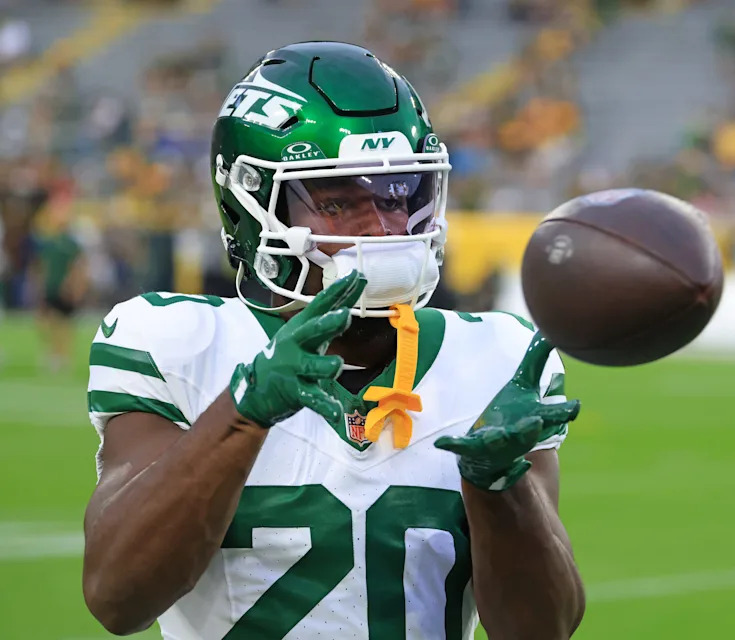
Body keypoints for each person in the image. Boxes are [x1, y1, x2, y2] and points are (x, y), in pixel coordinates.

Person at [82, 42, 585, 639]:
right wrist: (242, 414)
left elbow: (541, 630)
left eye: (400, 193)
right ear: (247, 206)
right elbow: (118, 598)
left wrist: (501, 487)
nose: (385, 228)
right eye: (339, 201)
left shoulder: (494, 358)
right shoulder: (176, 341)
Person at [32, 185, 87, 373]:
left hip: (64, 288)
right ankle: (54, 352)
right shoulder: (48, 242)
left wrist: (75, 287)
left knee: (64, 323)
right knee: (45, 321)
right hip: (51, 286)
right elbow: (42, 265)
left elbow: (78, 267)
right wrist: (40, 283)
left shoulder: (71, 244)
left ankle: (62, 355)